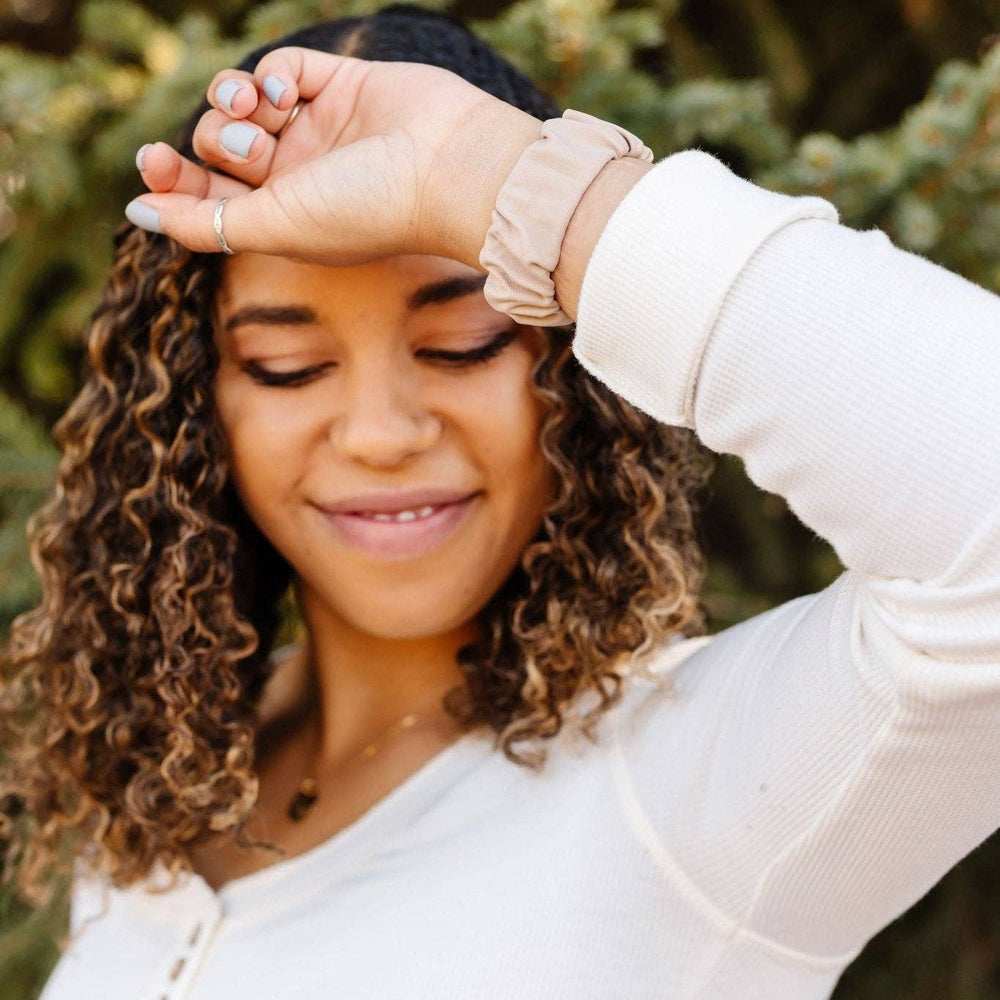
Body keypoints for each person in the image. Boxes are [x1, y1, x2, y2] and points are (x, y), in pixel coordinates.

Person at [3, 3, 998, 998]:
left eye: (463, 344)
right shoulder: (167, 772)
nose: (381, 432)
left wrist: (500, 182)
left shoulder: (692, 787)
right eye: (287, 365)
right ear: (198, 411)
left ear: (571, 373)